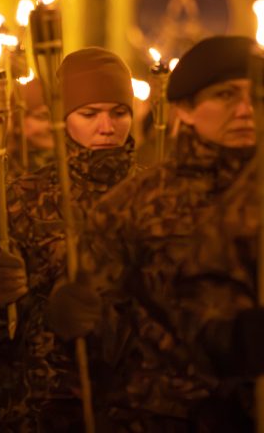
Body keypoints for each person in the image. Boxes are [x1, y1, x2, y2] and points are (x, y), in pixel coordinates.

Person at [52, 35, 257, 429]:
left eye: (256, 95)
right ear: (185, 109)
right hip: (164, 415)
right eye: (226, 95)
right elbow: (94, 345)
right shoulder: (133, 205)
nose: (246, 110)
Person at [0, 47, 137, 431]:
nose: (107, 127)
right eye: (89, 113)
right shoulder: (24, 199)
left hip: (137, 402)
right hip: (44, 404)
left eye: (119, 112)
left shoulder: (154, 194)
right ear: (63, 118)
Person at [7, 78, 54, 177]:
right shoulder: (4, 174)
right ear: (17, 124)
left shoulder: (71, 168)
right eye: (42, 116)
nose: (52, 126)